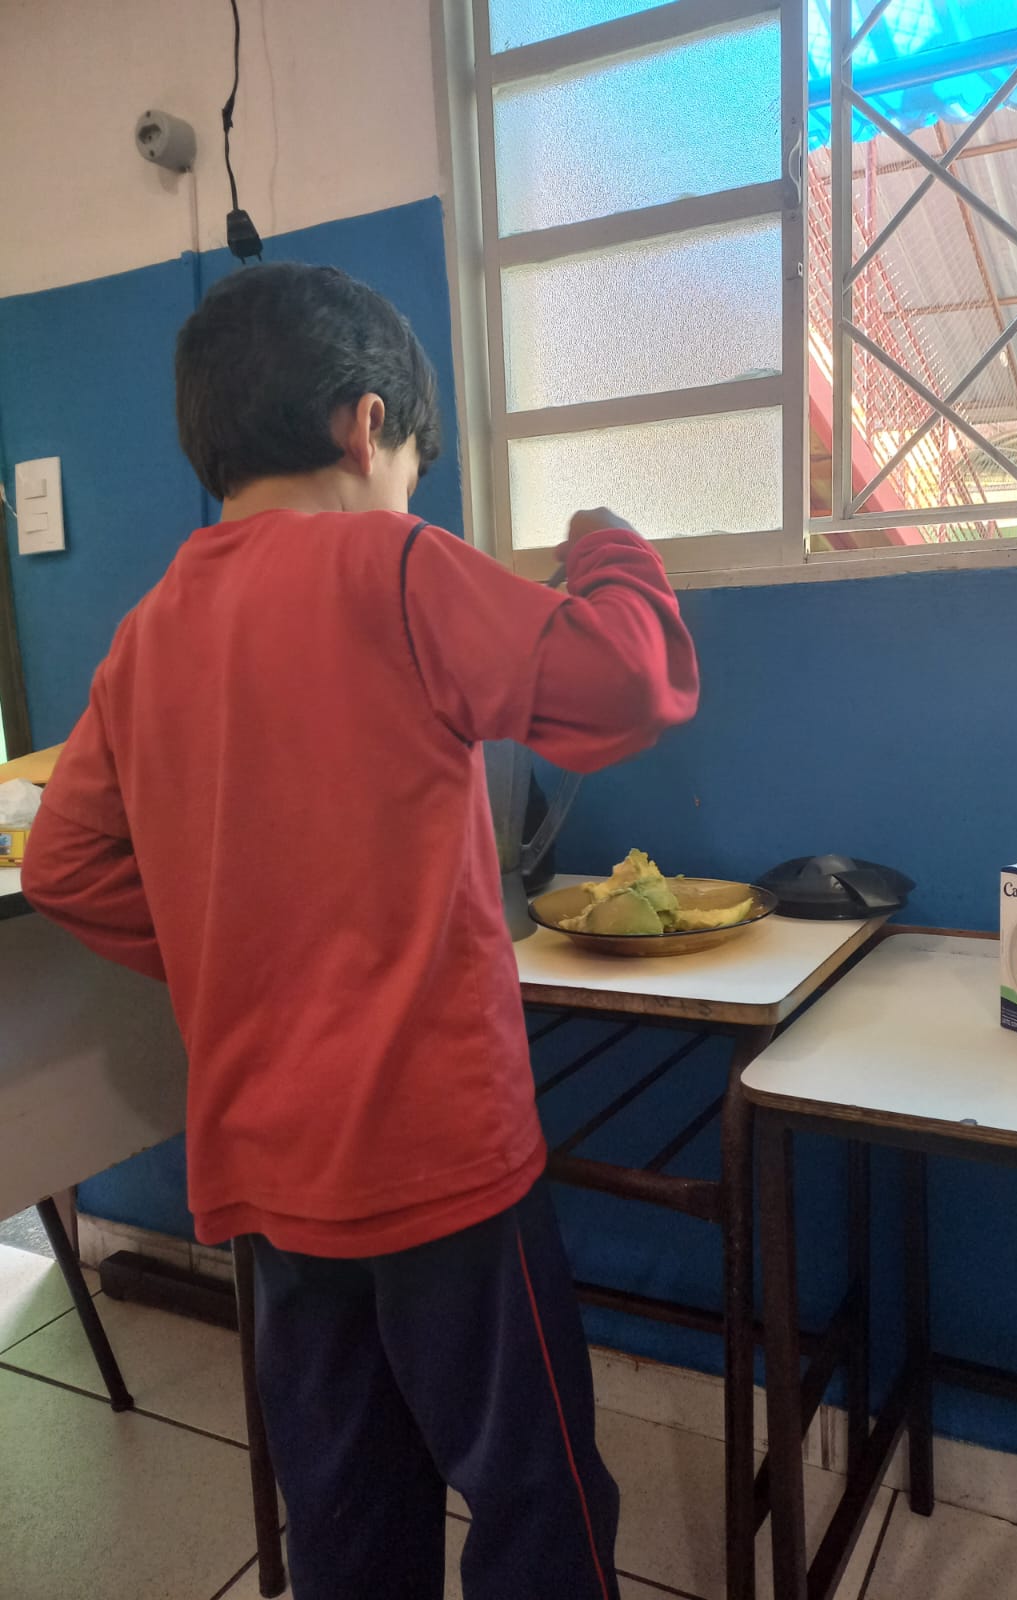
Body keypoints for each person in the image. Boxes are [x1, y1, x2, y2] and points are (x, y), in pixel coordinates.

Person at [21, 262, 699, 1599]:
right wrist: (610, 542)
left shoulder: (147, 632)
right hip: (443, 1159)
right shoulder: (395, 565)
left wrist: (224, 941)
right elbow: (632, 683)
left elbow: (66, 864)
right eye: (411, 471)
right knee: (534, 1498)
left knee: (345, 1513)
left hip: (269, 1175)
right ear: (364, 425)